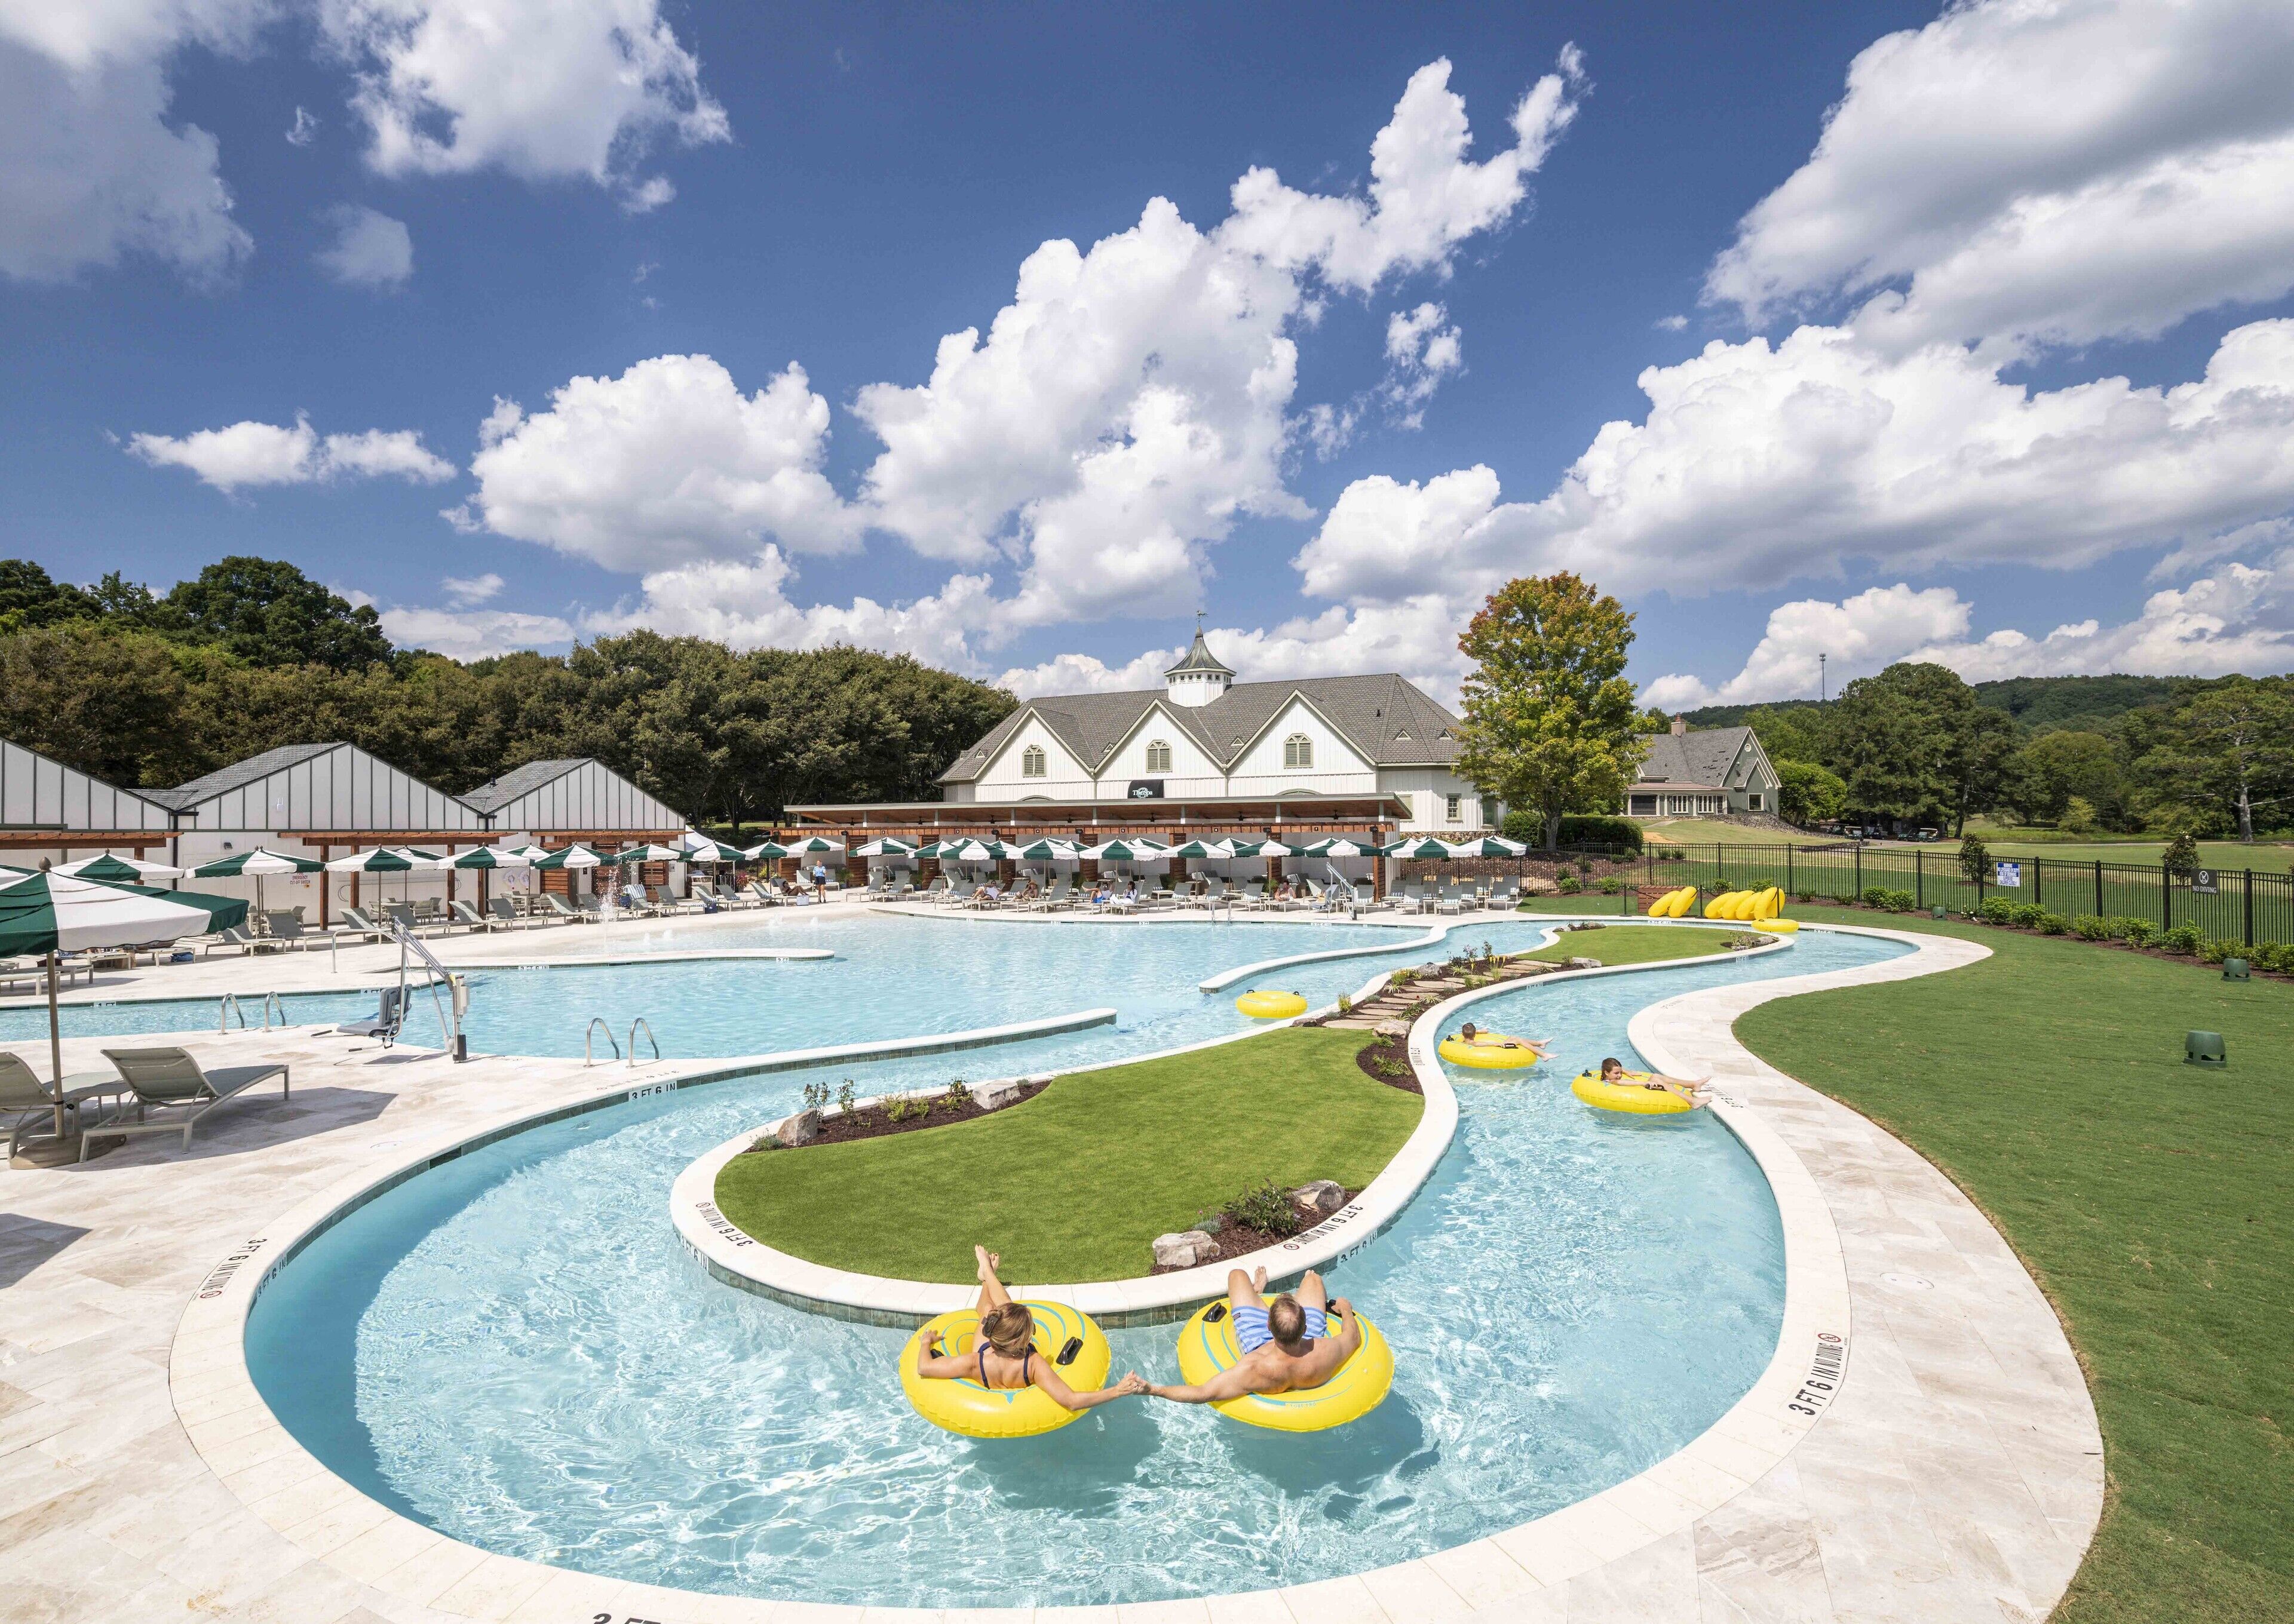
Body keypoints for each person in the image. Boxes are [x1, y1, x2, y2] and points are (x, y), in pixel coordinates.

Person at [913, 1247, 1147, 1411]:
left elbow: (925, 1368)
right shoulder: (1033, 1364)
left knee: (987, 1309)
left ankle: (987, 1276)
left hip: (988, 1366)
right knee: (995, 1307)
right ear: (1020, 1341)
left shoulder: (974, 1362)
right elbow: (1072, 1401)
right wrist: (1117, 1391)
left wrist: (926, 1342)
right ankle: (987, 1274)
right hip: (1016, 1367)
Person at [1147, 1266, 1360, 1404]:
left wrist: (1154, 1389)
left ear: (1268, 1325)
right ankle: (1270, 1295)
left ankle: (1257, 1291)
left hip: (1258, 1342)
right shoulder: (1324, 1350)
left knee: (1237, 1275)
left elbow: (1204, 1393)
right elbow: (1353, 1337)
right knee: (1313, 1278)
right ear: (1305, 1329)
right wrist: (1346, 1310)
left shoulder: (1254, 1368)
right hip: (1303, 1347)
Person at [1597, 1055, 1710, 1106]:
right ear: (1607, 1073)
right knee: (1655, 1078)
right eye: (1617, 1073)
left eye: (1620, 1072)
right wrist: (1644, 1083)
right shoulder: (1612, 1082)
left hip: (1642, 1091)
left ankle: (1693, 1084)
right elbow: (1622, 1082)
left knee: (1656, 1076)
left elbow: (1617, 1075)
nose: (1620, 1075)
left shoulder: (1607, 1075)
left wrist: (1626, 1071)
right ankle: (1692, 1101)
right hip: (1642, 1094)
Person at [1456, 1021, 1551, 1059]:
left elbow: (1484, 1031)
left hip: (1496, 1048)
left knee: (1513, 1037)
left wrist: (1480, 1031)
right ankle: (1543, 1055)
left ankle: (1540, 1044)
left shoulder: (1463, 1040)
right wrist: (1495, 1044)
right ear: (1474, 1034)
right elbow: (1477, 1044)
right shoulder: (1473, 1042)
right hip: (1498, 1050)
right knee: (1518, 1040)